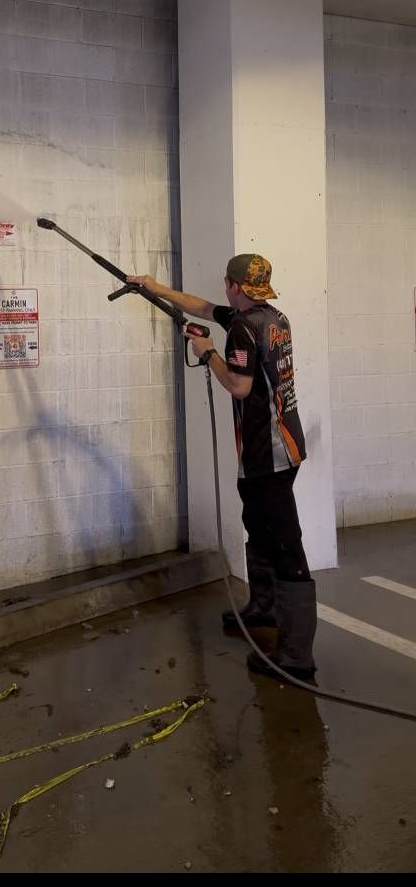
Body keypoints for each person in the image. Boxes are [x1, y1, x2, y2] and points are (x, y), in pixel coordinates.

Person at [126, 255, 317, 682]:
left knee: (287, 545)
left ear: (234, 284)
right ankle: (264, 609)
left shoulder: (243, 331)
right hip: (275, 447)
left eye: (227, 284)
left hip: (270, 455)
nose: (224, 291)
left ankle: (296, 656)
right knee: (259, 525)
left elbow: (238, 384)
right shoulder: (270, 316)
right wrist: (153, 286)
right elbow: (201, 307)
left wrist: (208, 351)